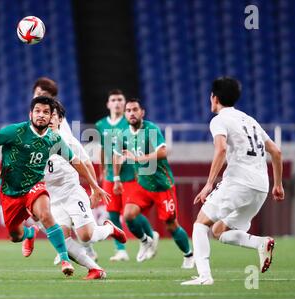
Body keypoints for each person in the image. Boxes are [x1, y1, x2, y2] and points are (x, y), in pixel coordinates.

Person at [0, 96, 109, 277]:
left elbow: (76, 162)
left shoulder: (54, 139)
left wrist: (94, 185)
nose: (41, 115)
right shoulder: (16, 131)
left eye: (46, 112)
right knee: (14, 236)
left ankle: (64, 259)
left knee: (45, 213)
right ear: (31, 114)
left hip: (34, 187)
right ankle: (29, 233)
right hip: (10, 190)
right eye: (38, 111)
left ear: (51, 117)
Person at [181, 77, 284, 285]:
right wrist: (278, 184)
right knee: (219, 231)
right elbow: (276, 151)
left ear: (214, 98)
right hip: (261, 187)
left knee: (200, 225)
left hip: (239, 182)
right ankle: (260, 243)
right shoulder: (249, 119)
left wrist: (209, 184)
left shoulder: (219, 120)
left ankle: (204, 277)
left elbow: (220, 149)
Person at [45, 101, 126, 279]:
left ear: (60, 119)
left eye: (53, 115)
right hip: (53, 199)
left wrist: (94, 188)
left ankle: (109, 229)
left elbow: (86, 162)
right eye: (46, 114)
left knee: (86, 236)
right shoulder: (35, 142)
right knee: (62, 240)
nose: (49, 118)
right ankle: (95, 269)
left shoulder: (67, 140)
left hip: (72, 193)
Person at [113, 98, 194, 267]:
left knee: (171, 225)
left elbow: (163, 152)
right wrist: (117, 179)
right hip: (142, 185)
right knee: (127, 215)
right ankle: (145, 240)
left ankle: (189, 255)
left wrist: (139, 158)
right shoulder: (123, 134)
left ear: (142, 112)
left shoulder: (151, 129)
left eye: (135, 109)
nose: (132, 113)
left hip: (162, 185)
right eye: (128, 110)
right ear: (125, 114)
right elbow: (116, 155)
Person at [31, 77, 98, 261]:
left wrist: (93, 187)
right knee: (54, 225)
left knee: (83, 231)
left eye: (43, 95)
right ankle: (71, 249)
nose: (39, 97)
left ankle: (86, 246)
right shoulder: (36, 120)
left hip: (66, 179)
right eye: (37, 94)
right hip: (51, 184)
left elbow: (79, 157)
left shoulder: (58, 124)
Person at [95, 89, 154, 262]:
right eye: (113, 99)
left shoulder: (129, 122)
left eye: (120, 99)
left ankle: (150, 236)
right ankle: (121, 249)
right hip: (110, 173)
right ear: (108, 104)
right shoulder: (100, 125)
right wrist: (102, 170)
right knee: (112, 211)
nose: (117, 102)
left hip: (130, 173)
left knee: (131, 211)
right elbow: (102, 148)